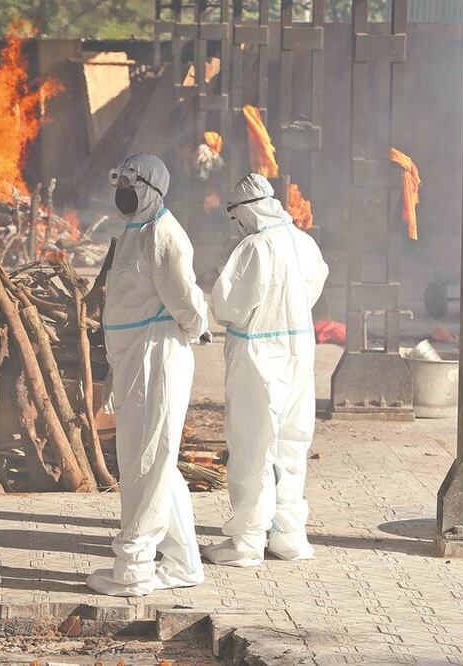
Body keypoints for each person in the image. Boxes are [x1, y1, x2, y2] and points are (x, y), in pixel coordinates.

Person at [88, 154, 209, 597]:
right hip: (134, 356)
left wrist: (196, 329)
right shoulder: (134, 231)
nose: (124, 191)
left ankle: (135, 568)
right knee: (156, 462)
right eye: (120, 181)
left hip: (156, 354)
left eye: (132, 183)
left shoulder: (165, 234)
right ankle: (183, 562)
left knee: (145, 462)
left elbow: (188, 303)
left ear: (153, 187)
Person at [204, 173, 328, 567]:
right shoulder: (304, 242)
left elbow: (227, 308)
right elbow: (314, 287)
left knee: (252, 447)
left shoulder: (254, 248)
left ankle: (247, 541)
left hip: (258, 358)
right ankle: (288, 536)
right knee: (291, 446)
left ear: (245, 211)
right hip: (299, 352)